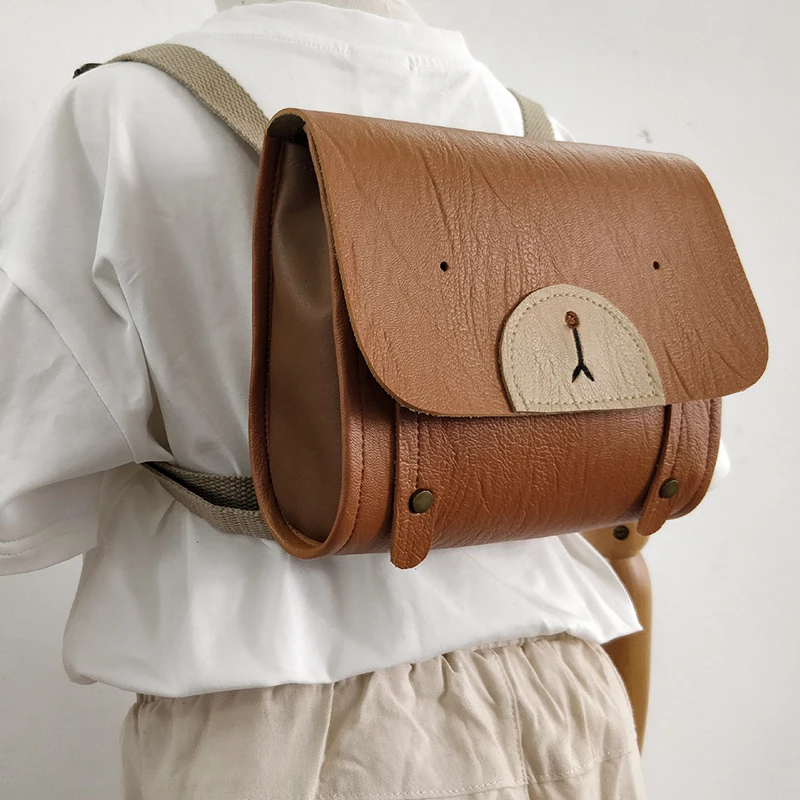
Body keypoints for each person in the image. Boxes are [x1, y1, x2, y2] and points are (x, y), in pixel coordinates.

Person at [1, 1, 729, 797]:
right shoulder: (531, 130)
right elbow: (638, 490)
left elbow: (15, 501)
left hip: (281, 734)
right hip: (566, 704)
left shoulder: (119, 113)